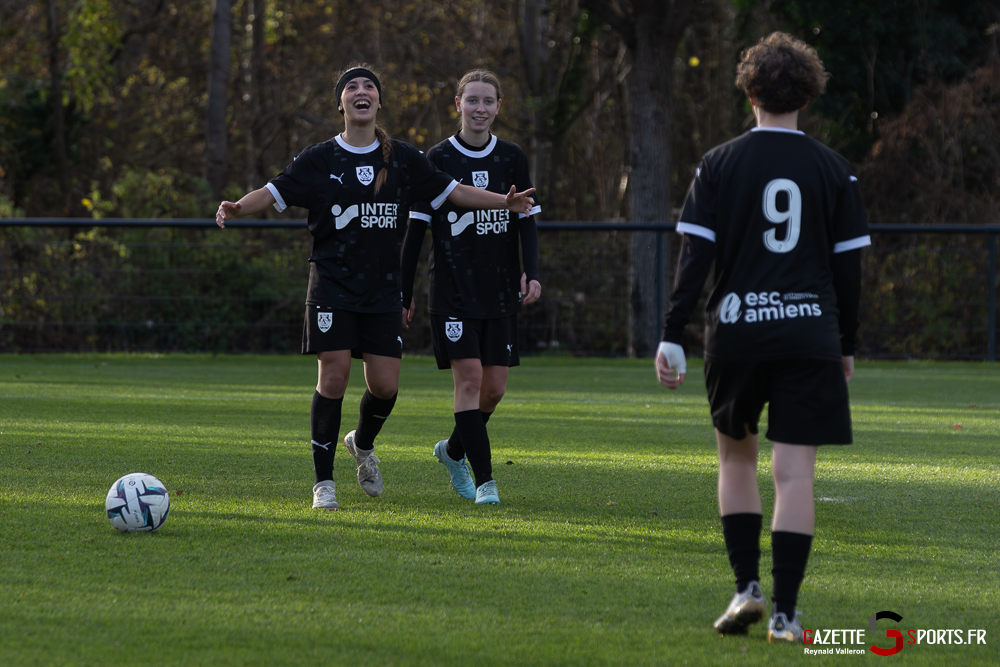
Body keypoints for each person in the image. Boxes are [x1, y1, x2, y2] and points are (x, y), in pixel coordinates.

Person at [216, 63, 535, 511]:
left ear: (379, 101)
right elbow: (273, 190)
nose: (361, 92)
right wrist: (238, 206)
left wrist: (504, 201)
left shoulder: (402, 158)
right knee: (334, 375)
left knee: (385, 386)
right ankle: (323, 484)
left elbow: (455, 192)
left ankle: (362, 446)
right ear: (341, 102)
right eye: (352, 87)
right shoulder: (319, 158)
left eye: (369, 86)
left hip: (381, 291)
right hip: (331, 283)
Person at [655, 33, 870, 643]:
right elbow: (849, 273)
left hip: (738, 333)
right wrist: (846, 342)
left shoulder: (719, 163)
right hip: (810, 336)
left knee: (737, 458)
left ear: (749, 89)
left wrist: (672, 332)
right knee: (795, 473)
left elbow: (695, 257)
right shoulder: (834, 169)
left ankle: (746, 587)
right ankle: (785, 615)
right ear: (809, 91)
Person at [401, 69, 541, 506]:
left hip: (499, 291)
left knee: (494, 389)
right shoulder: (437, 158)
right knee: (470, 380)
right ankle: (486, 483)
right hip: (453, 292)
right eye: (472, 100)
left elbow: (526, 221)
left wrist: (530, 271)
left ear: (499, 107)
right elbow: (416, 231)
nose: (480, 108)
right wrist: (403, 290)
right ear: (457, 104)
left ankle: (452, 450)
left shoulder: (512, 157)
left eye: (488, 101)